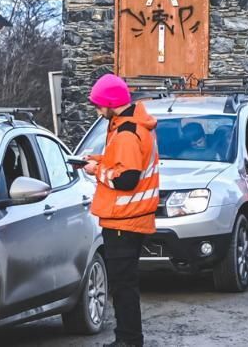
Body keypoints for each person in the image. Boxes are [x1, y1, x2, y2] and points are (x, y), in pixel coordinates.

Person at [83, 74, 159, 347]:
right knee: (125, 284)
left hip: (124, 220)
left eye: (98, 104)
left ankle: (128, 340)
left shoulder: (126, 132)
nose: (96, 109)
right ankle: (128, 338)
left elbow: (127, 179)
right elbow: (126, 164)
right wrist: (99, 160)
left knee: (123, 286)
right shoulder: (133, 127)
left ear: (110, 103)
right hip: (132, 218)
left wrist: (97, 170)